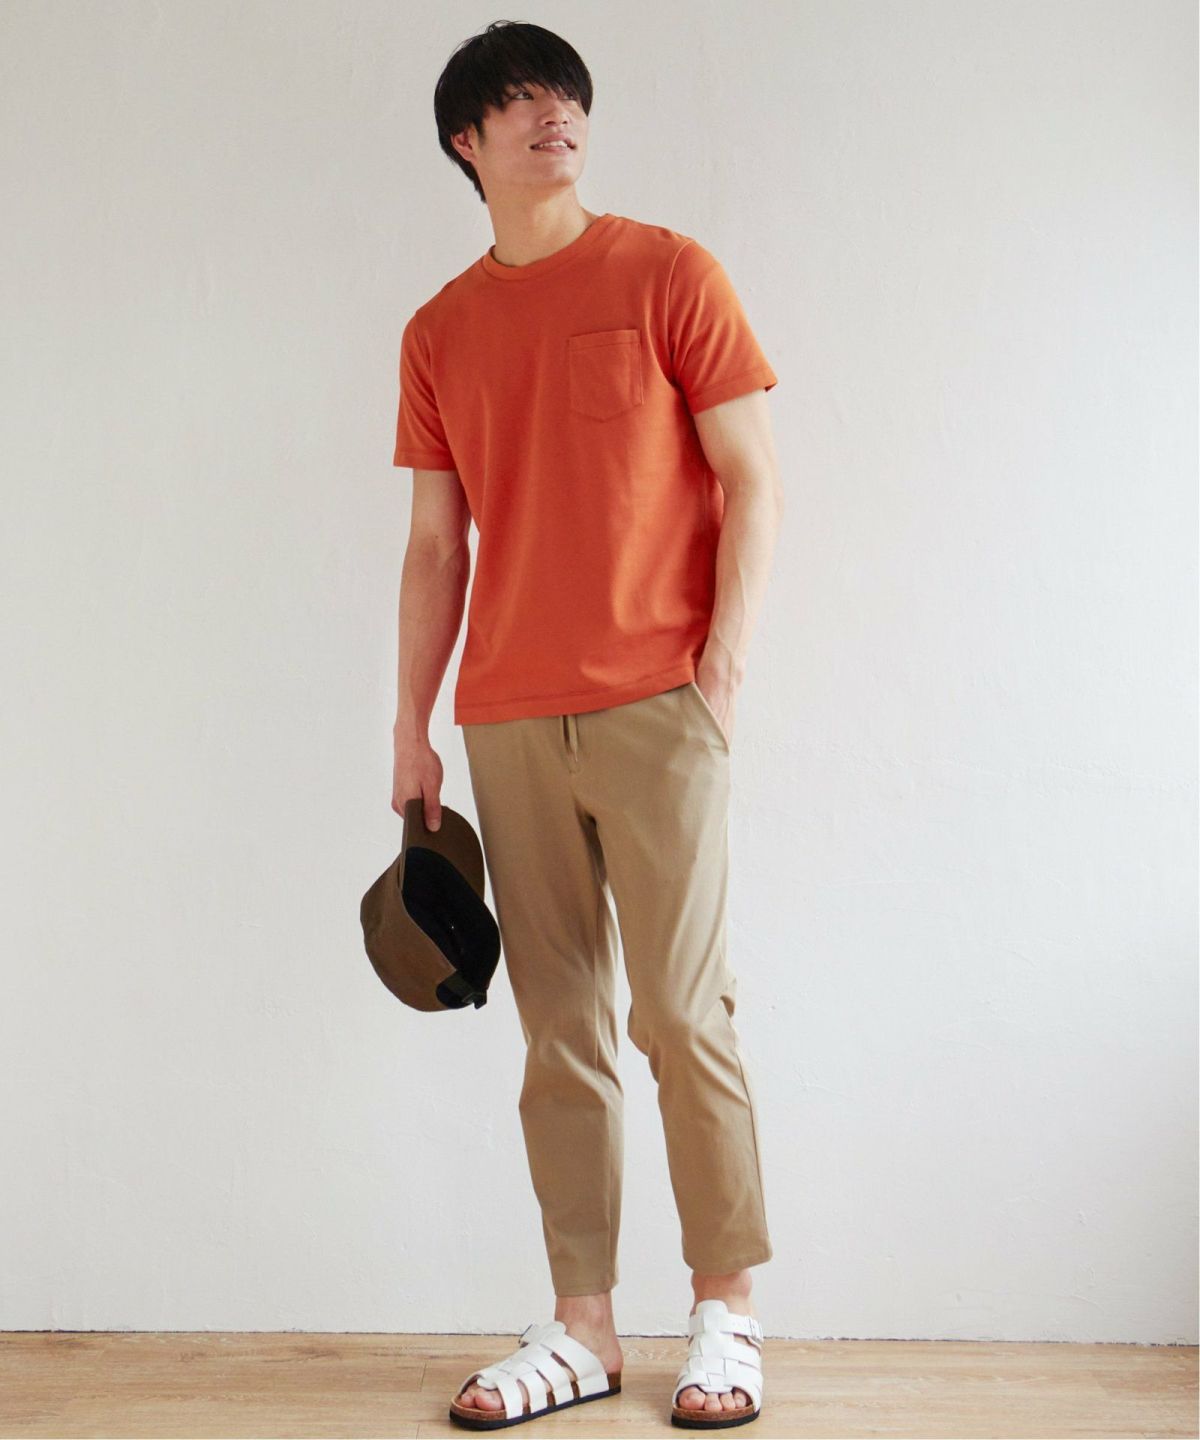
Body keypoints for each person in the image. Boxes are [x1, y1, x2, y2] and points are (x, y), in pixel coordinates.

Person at [390, 19, 784, 1429]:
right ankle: (586, 1329)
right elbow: (436, 546)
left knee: (682, 1014)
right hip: (506, 716)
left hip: (660, 704)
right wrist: (412, 728)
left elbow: (753, 478)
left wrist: (718, 671)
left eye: (564, 92)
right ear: (468, 141)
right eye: (517, 99)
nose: (552, 112)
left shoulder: (667, 272)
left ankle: (726, 1313)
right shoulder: (438, 331)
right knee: (559, 1030)